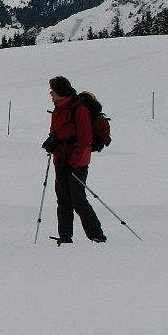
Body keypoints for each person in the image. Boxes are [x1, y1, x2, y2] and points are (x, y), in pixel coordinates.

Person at [42, 76, 106, 244]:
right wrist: (51, 141)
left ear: (61, 92)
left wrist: (72, 163)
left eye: (53, 91)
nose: (50, 93)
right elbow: (56, 131)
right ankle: (65, 237)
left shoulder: (79, 110)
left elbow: (85, 139)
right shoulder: (58, 109)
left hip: (77, 162)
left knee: (78, 199)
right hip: (60, 160)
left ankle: (96, 235)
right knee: (63, 199)